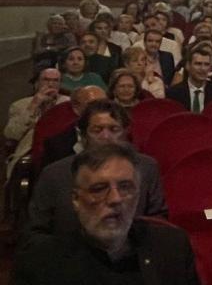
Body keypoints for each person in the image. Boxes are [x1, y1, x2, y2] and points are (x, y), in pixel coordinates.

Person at [14, 144, 200, 284]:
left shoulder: (172, 247)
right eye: (99, 189)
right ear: (76, 200)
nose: (115, 199)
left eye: (125, 187)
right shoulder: (40, 262)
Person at [28, 99, 166, 236]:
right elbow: (36, 230)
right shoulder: (54, 174)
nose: (106, 136)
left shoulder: (146, 167)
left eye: (114, 129)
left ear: (125, 133)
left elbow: (157, 219)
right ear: (84, 135)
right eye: (97, 130)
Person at [4, 67, 67, 178]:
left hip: (62, 151)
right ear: (37, 83)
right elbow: (12, 134)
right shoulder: (19, 105)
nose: (50, 84)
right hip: (30, 152)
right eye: (46, 80)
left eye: (55, 80)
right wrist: (33, 105)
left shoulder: (68, 103)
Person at [165, 45, 212, 112]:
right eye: (198, 64)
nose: (203, 68)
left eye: (206, 64)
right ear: (188, 66)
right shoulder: (173, 93)